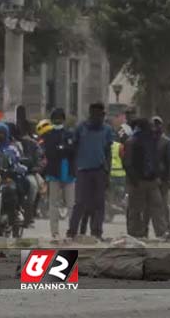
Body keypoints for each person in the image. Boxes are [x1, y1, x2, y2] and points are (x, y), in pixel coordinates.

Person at [67, 102, 114, 241]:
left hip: (100, 170)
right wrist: (73, 168)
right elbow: (73, 149)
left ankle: (97, 232)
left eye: (101, 114)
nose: (98, 117)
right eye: (96, 114)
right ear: (91, 114)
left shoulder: (107, 130)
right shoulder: (81, 128)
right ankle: (72, 232)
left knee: (99, 203)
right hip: (83, 170)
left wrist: (107, 172)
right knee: (80, 203)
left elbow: (108, 152)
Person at [124, 118, 170, 240]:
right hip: (139, 181)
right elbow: (128, 163)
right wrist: (134, 179)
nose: (153, 128)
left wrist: (157, 176)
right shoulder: (132, 141)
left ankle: (161, 233)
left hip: (151, 181)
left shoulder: (151, 140)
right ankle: (135, 234)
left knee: (157, 207)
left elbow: (155, 160)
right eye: (150, 126)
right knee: (136, 208)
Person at [40, 109, 76, 240]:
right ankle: (54, 232)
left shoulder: (70, 134)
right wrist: (63, 148)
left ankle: (72, 231)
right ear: (52, 120)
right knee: (53, 204)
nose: (57, 120)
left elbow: (73, 150)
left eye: (59, 118)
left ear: (63, 120)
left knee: (71, 204)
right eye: (55, 118)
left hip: (69, 173)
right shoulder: (48, 135)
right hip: (54, 173)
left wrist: (61, 148)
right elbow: (50, 153)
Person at [15, 118, 44, 228]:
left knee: (36, 186)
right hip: (15, 173)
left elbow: (40, 158)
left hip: (30, 172)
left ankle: (30, 214)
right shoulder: (15, 144)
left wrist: (36, 167)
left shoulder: (34, 143)